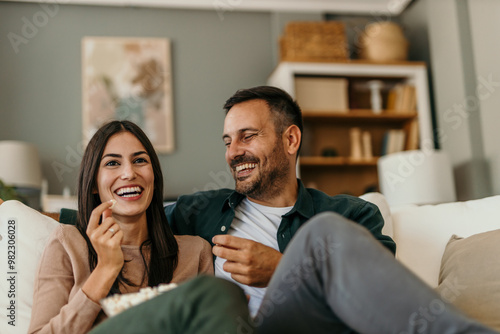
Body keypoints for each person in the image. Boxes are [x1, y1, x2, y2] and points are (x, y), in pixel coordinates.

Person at [71, 88, 496, 333]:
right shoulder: (199, 211)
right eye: (227, 141)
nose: (233, 152)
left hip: (304, 325)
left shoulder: (351, 215)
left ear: (290, 140)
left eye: (247, 136)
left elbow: (377, 286)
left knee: (323, 234)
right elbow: (127, 206)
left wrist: (283, 268)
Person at [26, 121, 227, 334]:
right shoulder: (67, 242)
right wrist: (105, 269)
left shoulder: (195, 251)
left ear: (154, 179)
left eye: (139, 160)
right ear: (93, 183)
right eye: (112, 163)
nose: (129, 173)